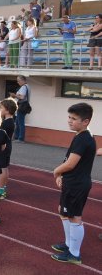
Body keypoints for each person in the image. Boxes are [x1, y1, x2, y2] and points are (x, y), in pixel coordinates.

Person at [51, 103, 96, 264]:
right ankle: (69, 244)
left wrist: (56, 171)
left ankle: (74, 254)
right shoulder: (81, 136)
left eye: (74, 118)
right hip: (73, 182)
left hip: (77, 185)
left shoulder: (83, 139)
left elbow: (71, 163)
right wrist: (62, 176)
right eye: (69, 117)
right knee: (63, 212)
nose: (69, 121)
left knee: (74, 217)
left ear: (86, 121)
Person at [0, 98, 17, 200]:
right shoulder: (10, 121)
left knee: (2, 169)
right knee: (4, 168)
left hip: (4, 147)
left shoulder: (6, 123)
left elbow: (1, 137)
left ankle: (0, 190)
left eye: (1, 108)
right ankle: (2, 188)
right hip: (7, 146)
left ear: (7, 110)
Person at [10, 75, 30, 143]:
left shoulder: (24, 87)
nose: (18, 82)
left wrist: (14, 95)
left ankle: (20, 138)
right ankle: (17, 137)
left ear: (22, 80)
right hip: (24, 106)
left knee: (20, 122)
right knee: (18, 122)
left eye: (18, 81)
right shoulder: (27, 86)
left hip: (22, 106)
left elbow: (22, 97)